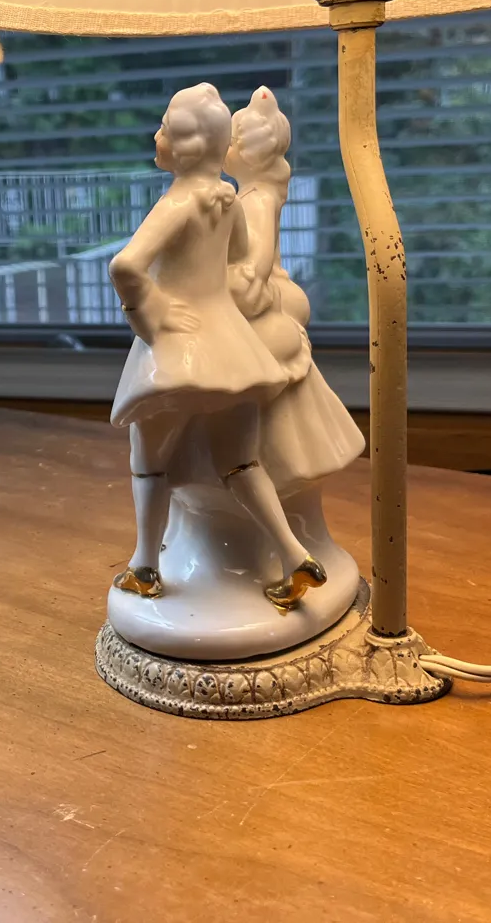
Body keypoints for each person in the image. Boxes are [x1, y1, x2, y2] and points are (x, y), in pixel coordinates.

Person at [108, 83, 325, 609]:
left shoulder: (177, 203)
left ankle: (145, 567)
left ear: (186, 146)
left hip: (176, 354)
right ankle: (294, 554)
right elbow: (244, 264)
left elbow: (125, 265)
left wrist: (150, 314)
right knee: (241, 464)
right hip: (230, 349)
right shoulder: (227, 201)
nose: (156, 136)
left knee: (148, 463)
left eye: (164, 128)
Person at [225, 88, 365, 500]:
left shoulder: (257, 200)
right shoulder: (244, 195)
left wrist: (245, 282)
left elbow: (259, 257)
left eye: (230, 142)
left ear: (247, 155)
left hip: (268, 293)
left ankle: (272, 462)